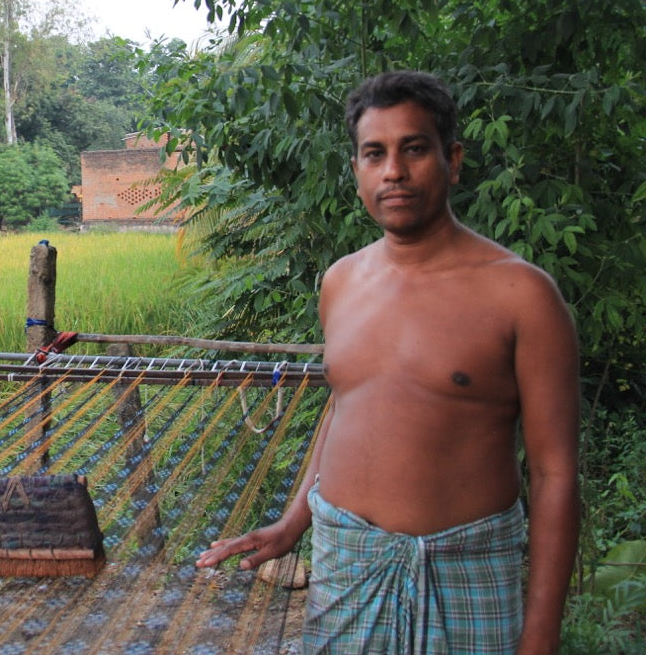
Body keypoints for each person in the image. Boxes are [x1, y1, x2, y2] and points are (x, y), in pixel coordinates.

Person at [197, 71, 579, 653]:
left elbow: (555, 476)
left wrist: (540, 636)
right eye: (375, 154)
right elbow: (348, 406)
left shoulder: (522, 295)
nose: (393, 171)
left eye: (414, 149)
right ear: (357, 170)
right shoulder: (341, 281)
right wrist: (294, 519)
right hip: (346, 564)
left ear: (453, 160)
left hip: (464, 570)